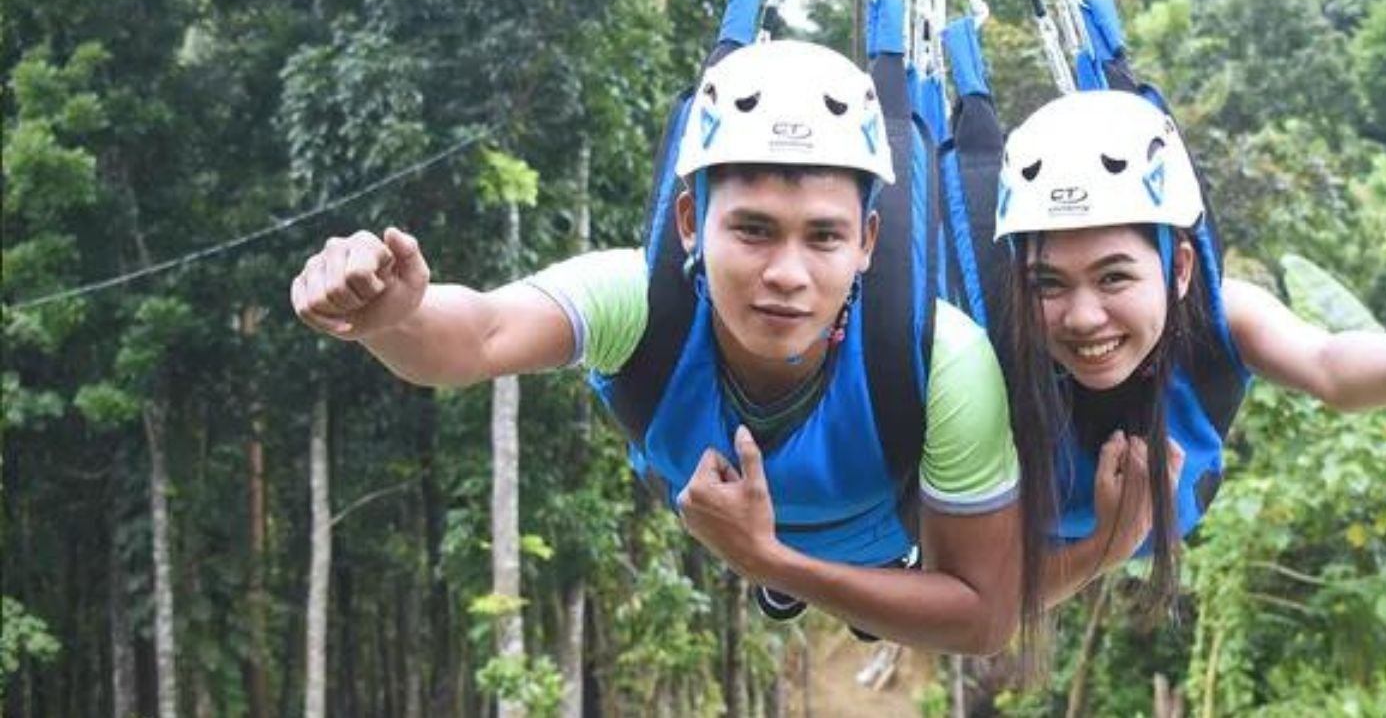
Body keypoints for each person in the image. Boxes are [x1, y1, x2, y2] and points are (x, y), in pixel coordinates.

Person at [290, 40, 1030, 654]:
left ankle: (799, 581)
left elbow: (986, 617)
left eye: (825, 235)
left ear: (868, 241)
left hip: (883, 550)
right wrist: (394, 315)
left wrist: (772, 561)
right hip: (777, 523)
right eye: (753, 229)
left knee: (854, 590)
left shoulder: (943, 359)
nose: (786, 273)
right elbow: (478, 332)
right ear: (689, 221)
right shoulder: (644, 302)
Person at [989, 90, 1386, 606]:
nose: (1082, 317)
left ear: (1181, 269)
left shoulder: (1221, 321)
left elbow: (1327, 364)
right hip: (1024, 553)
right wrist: (1107, 545)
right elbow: (985, 607)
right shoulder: (989, 357)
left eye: (1114, 278)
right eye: (1047, 284)